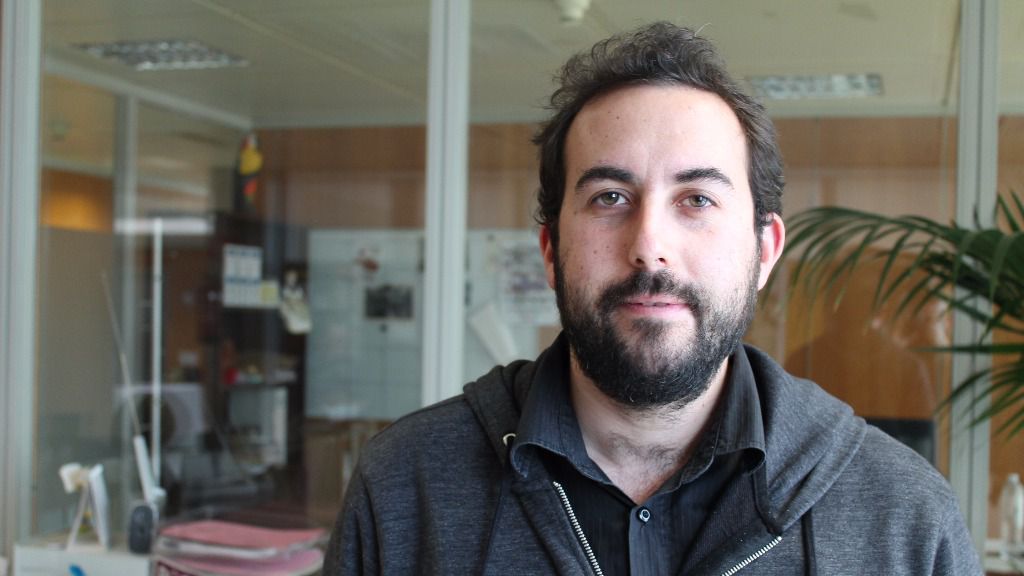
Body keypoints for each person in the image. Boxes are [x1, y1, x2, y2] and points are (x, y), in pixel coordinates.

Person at [324, 22, 982, 575]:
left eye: (696, 199)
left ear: (765, 250)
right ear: (551, 249)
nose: (649, 247)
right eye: (610, 197)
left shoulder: (905, 519)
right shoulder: (404, 488)